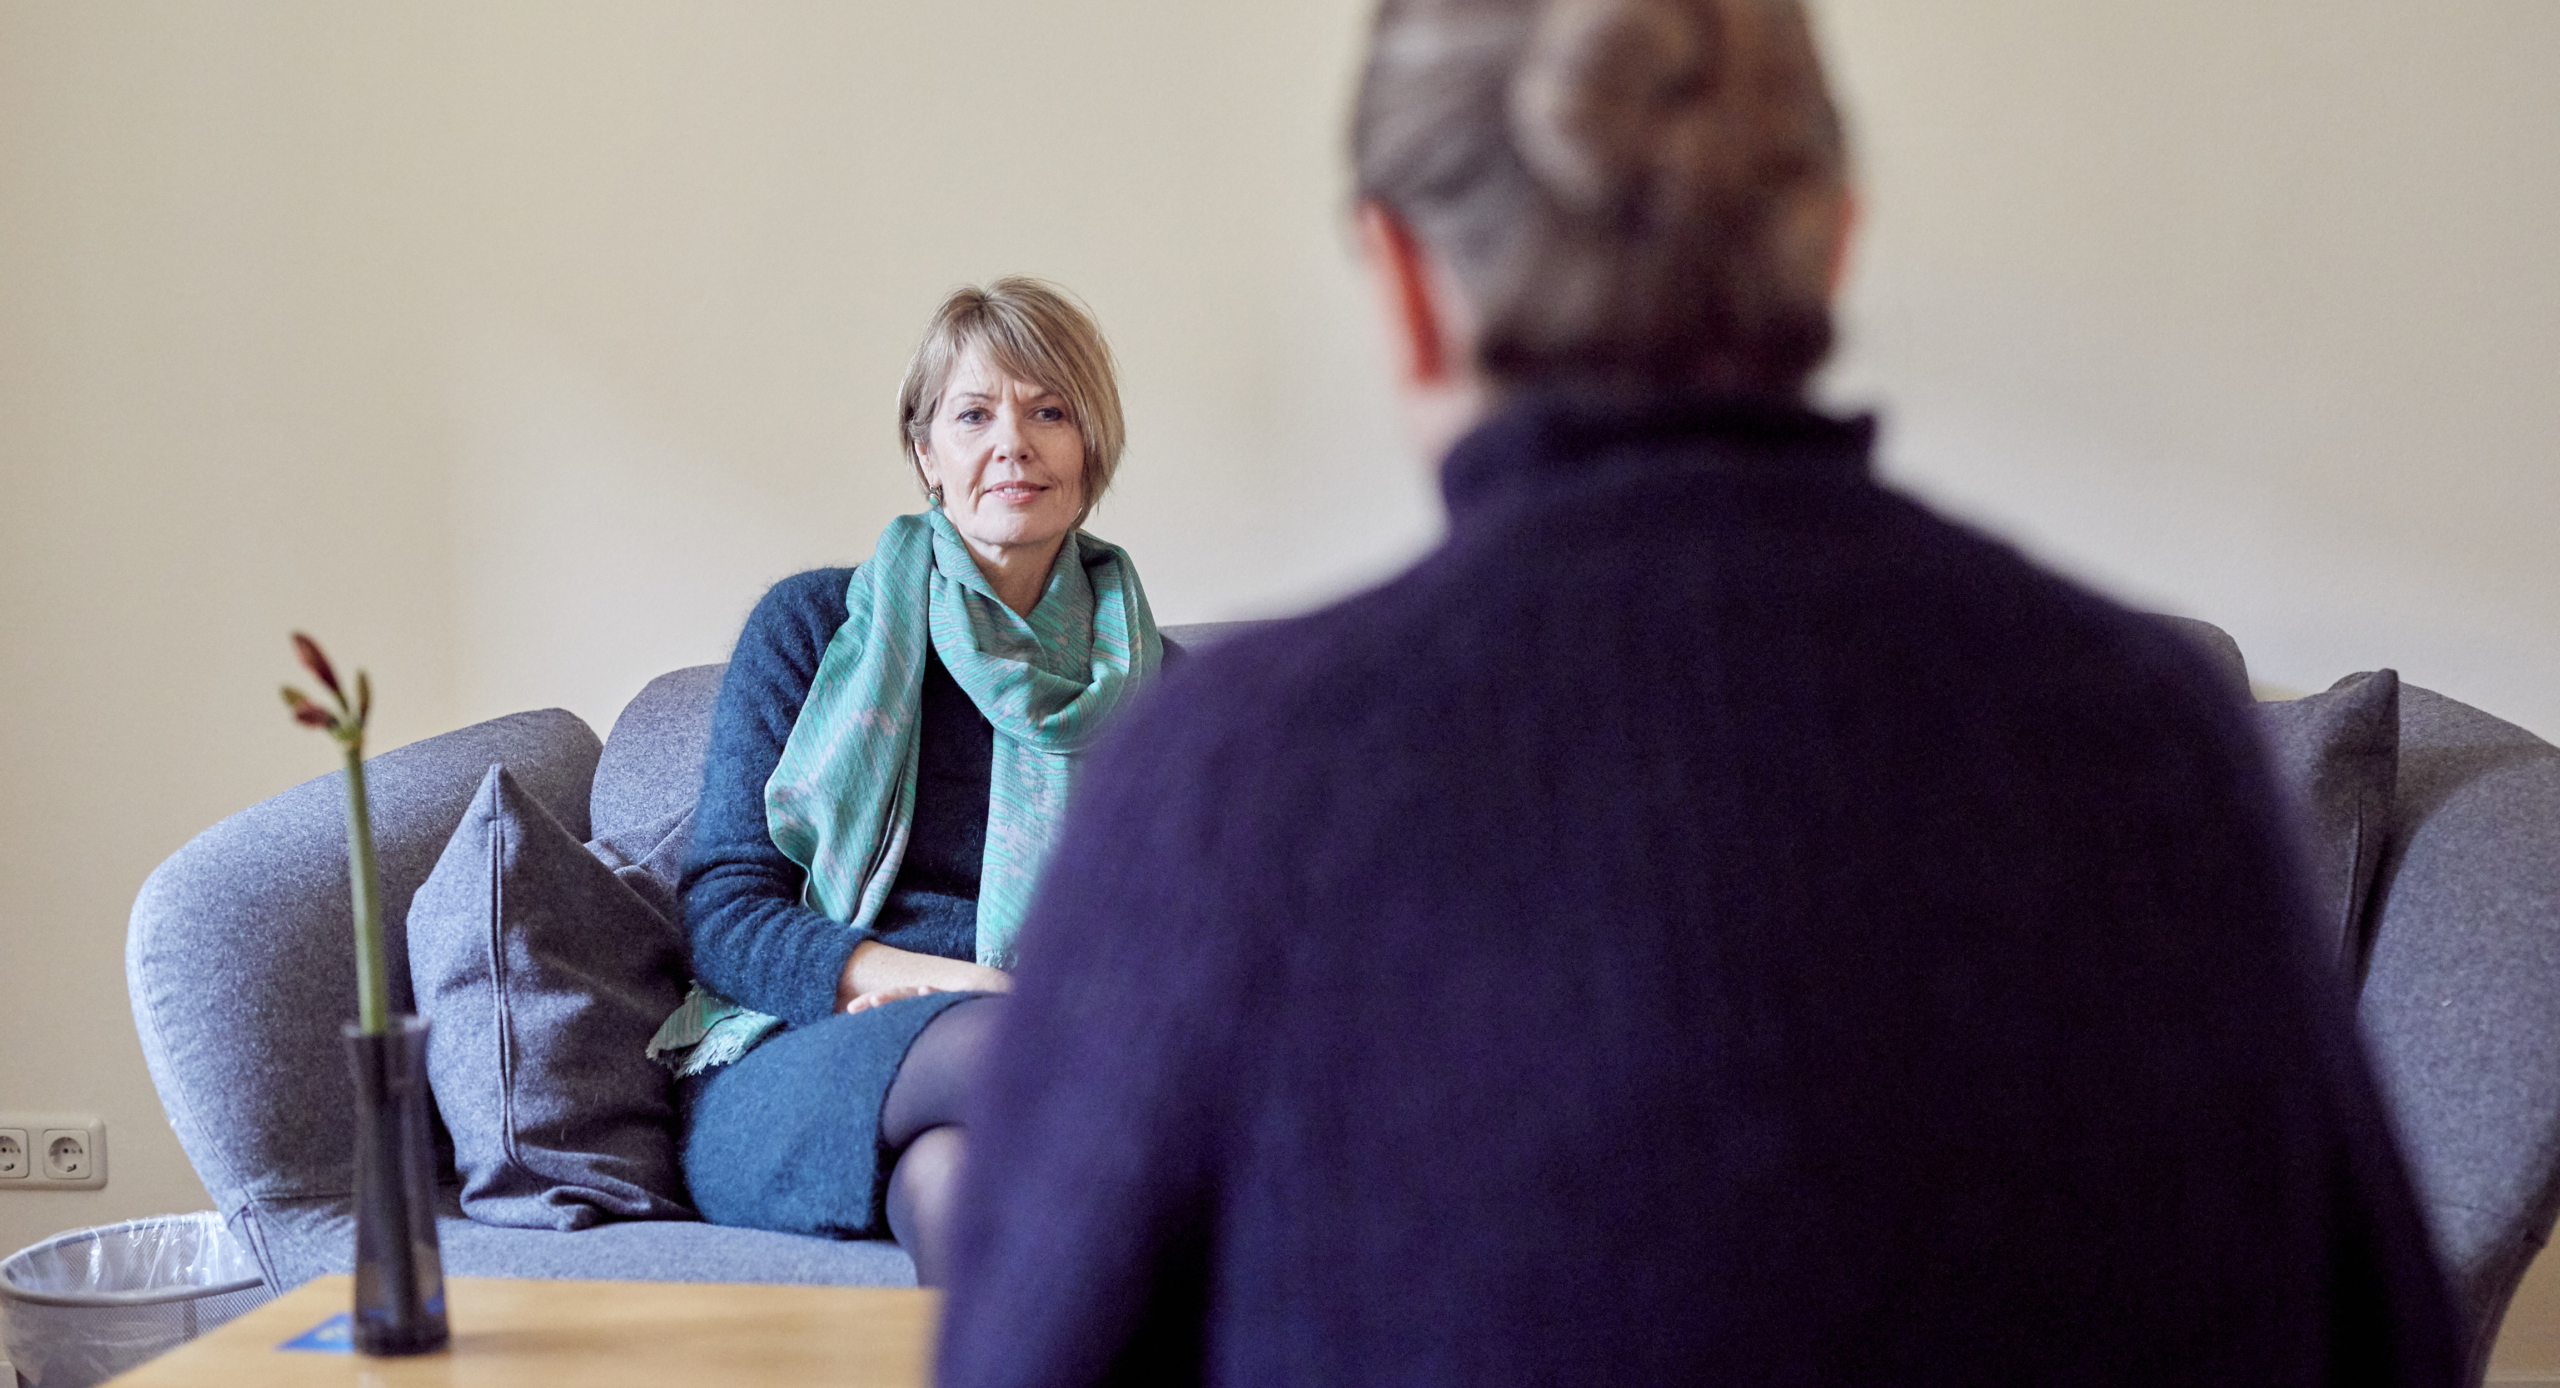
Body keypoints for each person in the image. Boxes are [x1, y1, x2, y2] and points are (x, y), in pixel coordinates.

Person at [934, 2, 2464, 1383]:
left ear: (1400, 281)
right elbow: (2377, 1339)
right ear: (1832, 243)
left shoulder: (1227, 774)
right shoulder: (2152, 734)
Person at [650, 277, 1162, 1286]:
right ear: (926, 451)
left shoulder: (1158, 687)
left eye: (1048, 410)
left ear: (1089, 446)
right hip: (802, 1057)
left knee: (956, 1184)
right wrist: (970, 988)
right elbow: (724, 909)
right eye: (974, 414)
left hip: (1033, 1044)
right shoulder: (813, 629)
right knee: (1025, 1049)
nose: (1012, 441)